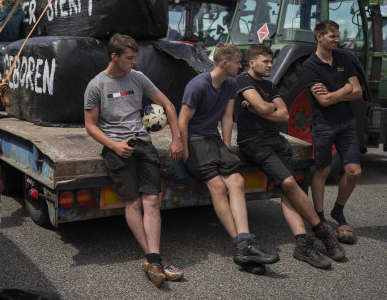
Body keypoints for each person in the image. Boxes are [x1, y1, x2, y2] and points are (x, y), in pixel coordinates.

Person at [84, 34, 184, 288]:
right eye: (129, 57)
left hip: (143, 143)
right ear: (114, 56)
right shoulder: (96, 85)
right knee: (134, 201)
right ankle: (154, 259)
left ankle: (153, 260)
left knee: (151, 199)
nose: (134, 61)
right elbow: (90, 126)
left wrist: (176, 139)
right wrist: (114, 146)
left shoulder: (138, 78)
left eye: (135, 57)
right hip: (116, 147)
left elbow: (169, 106)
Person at [234, 45, 345, 269]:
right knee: (287, 182)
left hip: (276, 140)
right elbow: (263, 107)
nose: (270, 65)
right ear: (251, 62)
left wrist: (261, 109)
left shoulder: (269, 84)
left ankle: (303, 245)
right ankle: (322, 232)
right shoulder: (242, 81)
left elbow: (283, 114)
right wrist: (263, 109)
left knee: (289, 189)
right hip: (253, 143)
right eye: (265, 61)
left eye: (270, 61)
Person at [178, 43, 279, 275]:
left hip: (213, 140)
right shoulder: (198, 85)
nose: (241, 66)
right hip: (195, 141)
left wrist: (225, 148)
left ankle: (245, 241)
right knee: (217, 187)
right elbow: (182, 122)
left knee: (237, 181)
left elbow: (226, 116)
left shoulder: (231, 83)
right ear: (225, 63)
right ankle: (243, 245)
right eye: (238, 62)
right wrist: (185, 153)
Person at [303, 20, 363, 244]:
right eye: (332, 37)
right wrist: (344, 89)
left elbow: (357, 92)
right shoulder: (310, 65)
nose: (337, 40)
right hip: (323, 123)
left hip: (346, 122)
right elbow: (323, 101)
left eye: (337, 36)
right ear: (319, 37)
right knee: (322, 170)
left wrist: (337, 93)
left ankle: (338, 211)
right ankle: (318, 216)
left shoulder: (344, 58)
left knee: (354, 171)